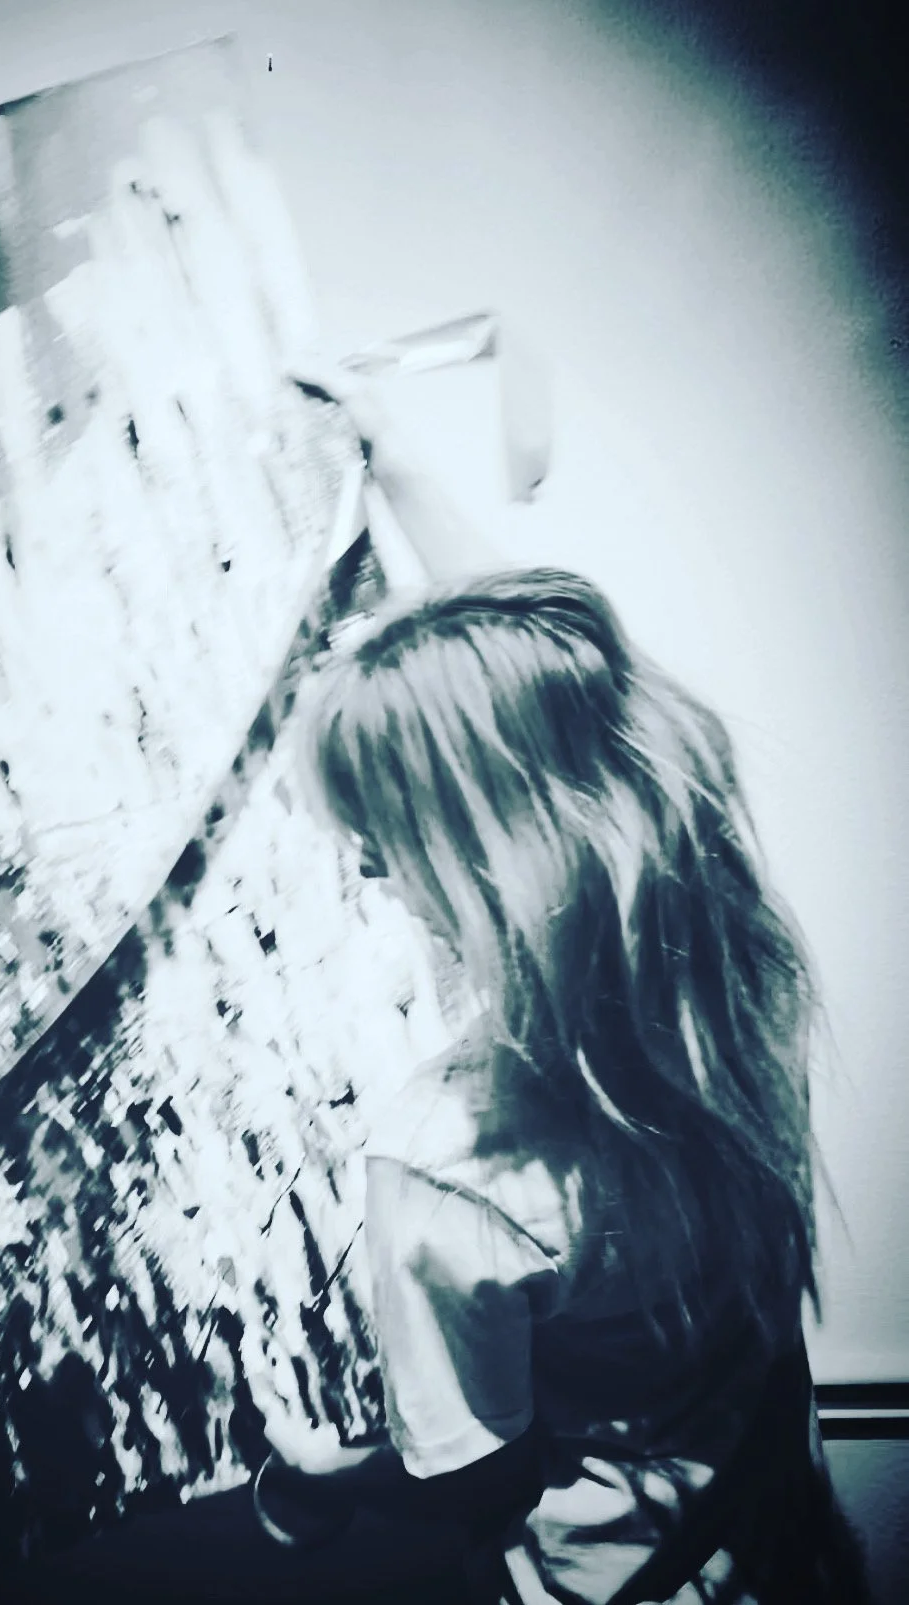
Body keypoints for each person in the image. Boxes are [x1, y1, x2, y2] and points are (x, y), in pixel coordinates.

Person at [251, 373, 874, 1604]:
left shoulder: (446, 1160)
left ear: (489, 849)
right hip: (799, 1560)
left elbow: (476, 1481)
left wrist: (326, 1474)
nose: (368, 869)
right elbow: (581, 709)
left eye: (387, 834)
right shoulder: (739, 971)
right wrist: (402, 465)